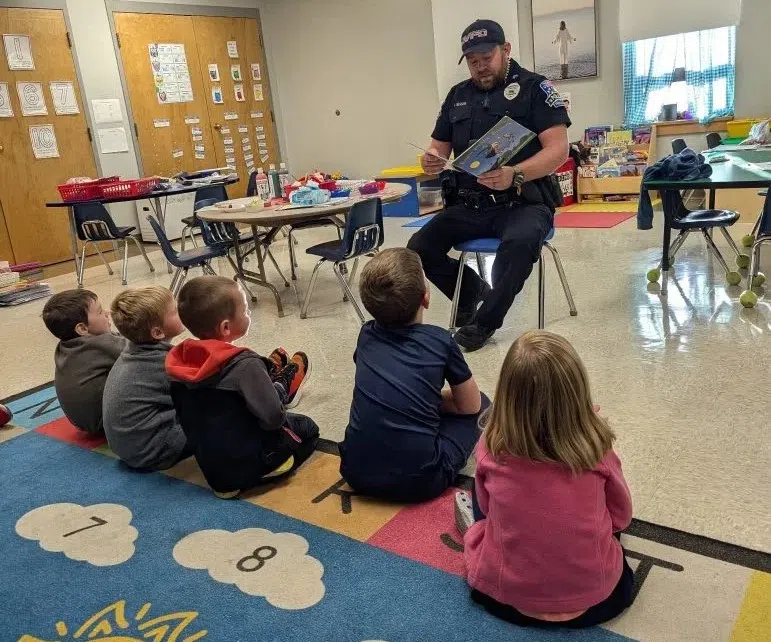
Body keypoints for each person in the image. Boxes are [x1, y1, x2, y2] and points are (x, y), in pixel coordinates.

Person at [407, 19, 570, 351]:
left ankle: (485, 322)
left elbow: (558, 151)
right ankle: (470, 291)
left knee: (520, 244)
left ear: (505, 50)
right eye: (473, 61)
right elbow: (438, 146)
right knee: (417, 248)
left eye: (486, 57)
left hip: (522, 201)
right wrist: (431, 160)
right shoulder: (458, 96)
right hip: (470, 204)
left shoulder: (535, 89)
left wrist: (516, 173)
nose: (480, 67)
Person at [455, 330, 635, 629]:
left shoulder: (491, 447)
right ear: (577, 396)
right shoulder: (596, 450)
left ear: (508, 396)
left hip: (504, 598)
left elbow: (487, 509)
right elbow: (620, 516)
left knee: (481, 502)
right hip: (598, 601)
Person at [339, 248, 488, 502]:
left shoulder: (366, 335)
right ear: (426, 297)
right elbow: (470, 405)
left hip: (355, 471)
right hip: (422, 481)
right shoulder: (440, 341)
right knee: (482, 405)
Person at [166, 275, 318, 499]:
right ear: (226, 327)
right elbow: (274, 418)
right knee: (307, 427)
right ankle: (272, 467)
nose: (249, 315)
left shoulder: (178, 360)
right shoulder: (245, 364)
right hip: (248, 463)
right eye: (245, 311)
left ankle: (276, 385)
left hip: (213, 472)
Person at [102, 286, 189, 471]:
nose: (181, 310)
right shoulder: (164, 363)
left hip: (129, 448)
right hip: (153, 452)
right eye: (174, 311)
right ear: (157, 333)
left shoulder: (132, 352)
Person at [42, 290, 127, 434]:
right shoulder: (100, 343)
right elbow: (142, 348)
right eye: (100, 312)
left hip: (83, 421)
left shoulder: (64, 346)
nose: (107, 312)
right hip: (109, 421)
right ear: (82, 328)